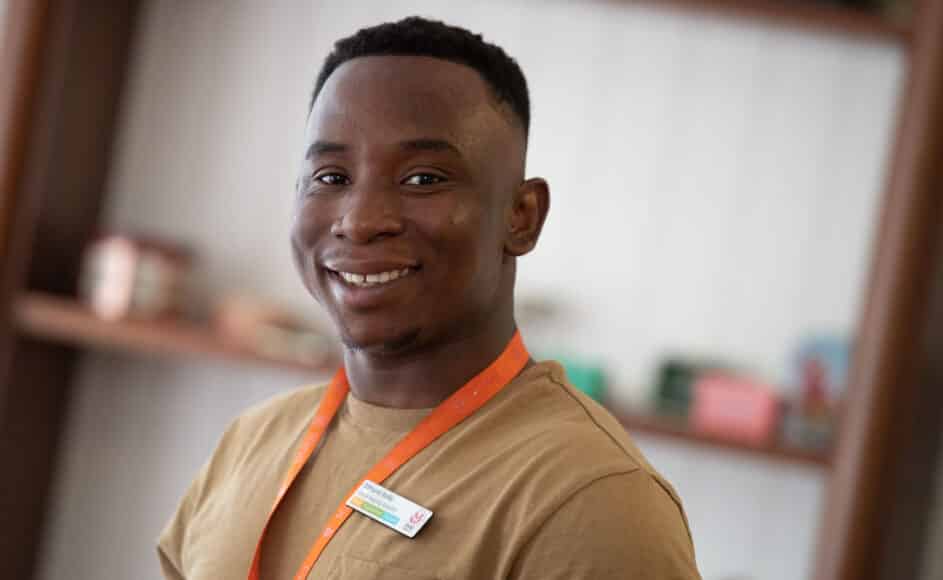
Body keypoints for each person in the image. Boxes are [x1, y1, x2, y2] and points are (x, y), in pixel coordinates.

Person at [158, 16, 700, 580]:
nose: (361, 221)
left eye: (422, 179)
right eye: (331, 177)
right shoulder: (254, 439)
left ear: (521, 216)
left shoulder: (591, 501)